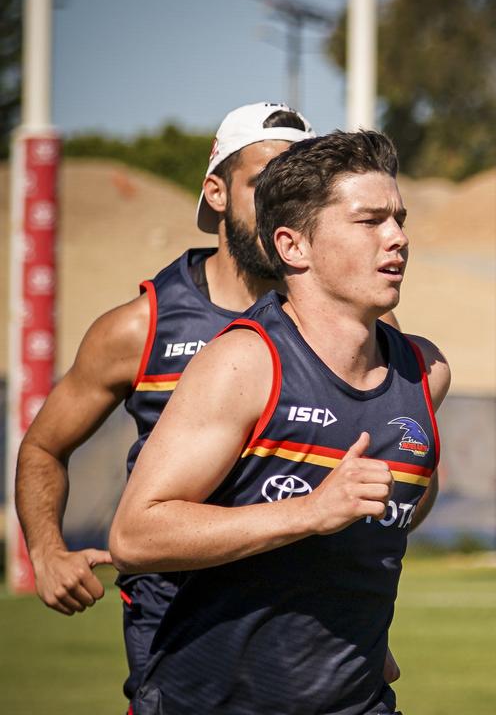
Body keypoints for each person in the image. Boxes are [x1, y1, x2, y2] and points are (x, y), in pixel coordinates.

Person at [109, 130, 447, 714]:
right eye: (369, 221)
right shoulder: (245, 362)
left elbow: (397, 511)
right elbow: (135, 536)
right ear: (293, 246)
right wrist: (308, 513)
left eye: (399, 218)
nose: (398, 238)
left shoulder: (425, 371)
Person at [13, 102, 315, 700]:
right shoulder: (139, 328)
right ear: (217, 192)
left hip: (307, 638)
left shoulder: (329, 323)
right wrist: (46, 550)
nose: (283, 204)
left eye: (298, 189)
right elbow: (43, 446)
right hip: (178, 645)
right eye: (264, 184)